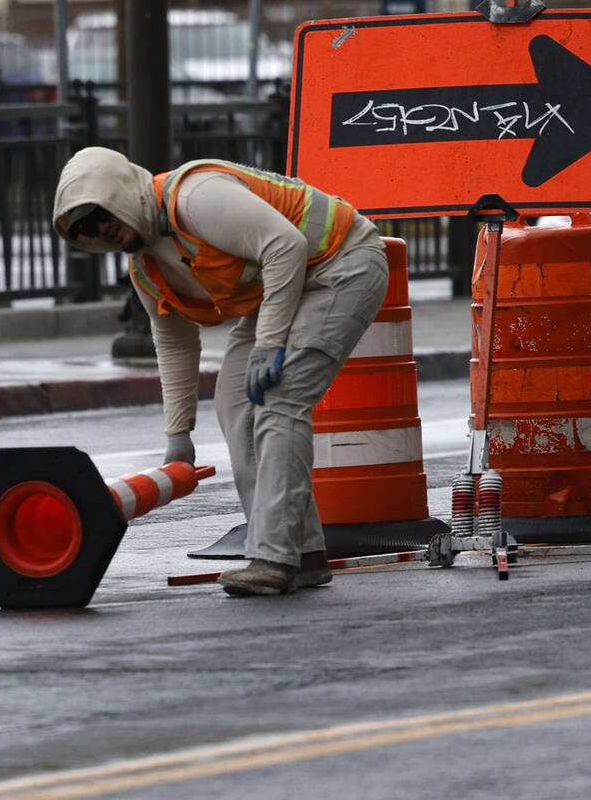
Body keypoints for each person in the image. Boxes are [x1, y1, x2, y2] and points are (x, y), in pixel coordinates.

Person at [53, 148, 389, 596]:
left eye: (99, 214)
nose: (100, 230)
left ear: (121, 192)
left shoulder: (195, 196)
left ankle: (273, 557)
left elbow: (284, 245)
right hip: (281, 291)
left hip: (340, 263)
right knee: (236, 406)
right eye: (84, 230)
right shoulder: (146, 268)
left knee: (279, 398)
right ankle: (302, 552)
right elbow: (174, 341)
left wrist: (269, 344)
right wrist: (179, 434)